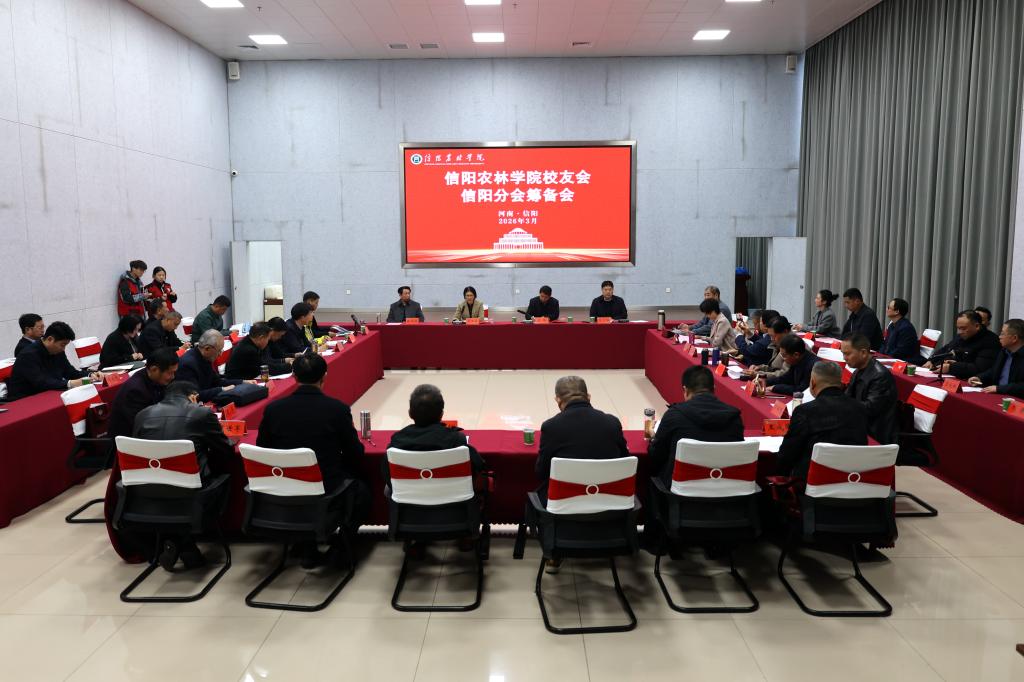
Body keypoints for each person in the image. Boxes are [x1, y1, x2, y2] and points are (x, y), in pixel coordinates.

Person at [257, 354, 370, 567]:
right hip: (325, 488)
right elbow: (355, 453)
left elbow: (263, 449)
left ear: (294, 376)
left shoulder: (274, 410)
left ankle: (305, 544)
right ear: (324, 376)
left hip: (283, 486)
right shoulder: (337, 410)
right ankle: (340, 546)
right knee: (362, 489)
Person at [132, 380, 235, 571]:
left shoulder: (142, 414)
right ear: (193, 397)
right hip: (192, 493)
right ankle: (184, 542)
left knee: (173, 485)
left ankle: (179, 542)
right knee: (223, 477)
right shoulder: (201, 413)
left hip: (147, 492)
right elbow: (225, 449)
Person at [647, 366, 744, 485]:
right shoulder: (734, 418)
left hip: (681, 490)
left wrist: (653, 438)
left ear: (685, 390)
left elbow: (656, 456)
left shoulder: (674, 416)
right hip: (727, 487)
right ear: (714, 389)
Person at [775, 362, 868, 479]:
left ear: (813, 382)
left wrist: (778, 475)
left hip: (811, 479)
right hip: (851, 477)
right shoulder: (860, 408)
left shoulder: (805, 411)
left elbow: (788, 453)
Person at [535, 375, 629, 488]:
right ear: (588, 396)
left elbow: (542, 472)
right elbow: (625, 461)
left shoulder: (551, 427)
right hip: (609, 494)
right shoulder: (612, 422)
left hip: (566, 496)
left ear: (558, 399)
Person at [386, 384, 486, 479]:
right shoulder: (457, 439)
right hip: (453, 491)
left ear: (410, 413)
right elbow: (478, 467)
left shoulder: (397, 441)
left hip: (407, 492)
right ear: (441, 414)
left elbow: (386, 473)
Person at [6, 322, 99, 400]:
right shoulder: (28, 355)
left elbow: (70, 372)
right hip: (26, 399)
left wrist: (90, 375)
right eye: (62, 345)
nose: (63, 349)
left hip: (50, 394)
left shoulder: (58, 351)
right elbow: (41, 382)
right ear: (50, 339)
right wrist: (71, 383)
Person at [108, 348, 179, 438]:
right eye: (170, 373)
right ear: (154, 369)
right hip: (130, 440)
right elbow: (144, 427)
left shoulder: (158, 379)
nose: (173, 377)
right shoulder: (135, 391)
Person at [842, 332, 899, 444]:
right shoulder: (858, 370)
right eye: (843, 354)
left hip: (875, 432)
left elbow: (869, 409)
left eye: (847, 354)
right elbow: (847, 396)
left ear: (863, 353)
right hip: (860, 422)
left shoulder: (880, 376)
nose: (844, 358)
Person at [924, 310, 1001, 379]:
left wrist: (951, 367)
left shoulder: (990, 341)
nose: (960, 332)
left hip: (972, 381)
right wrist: (931, 361)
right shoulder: (962, 336)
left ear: (977, 326)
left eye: (963, 328)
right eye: (958, 328)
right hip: (952, 375)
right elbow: (946, 349)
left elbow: (979, 368)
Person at [175, 330, 248, 402]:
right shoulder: (187, 365)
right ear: (207, 348)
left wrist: (242, 382)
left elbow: (217, 382)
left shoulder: (205, 357)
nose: (220, 354)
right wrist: (222, 389)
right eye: (219, 351)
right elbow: (194, 396)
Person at [969, 319, 1024, 398]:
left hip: (1016, 400)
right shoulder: (1004, 351)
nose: (999, 337)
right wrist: (979, 378)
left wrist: (999, 389)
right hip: (998, 395)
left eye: (1002, 334)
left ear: (1014, 338)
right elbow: (994, 371)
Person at [224, 322, 290, 379]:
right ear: (261, 338)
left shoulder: (249, 342)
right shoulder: (248, 350)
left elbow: (266, 362)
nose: (268, 342)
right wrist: (290, 366)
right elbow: (266, 368)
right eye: (267, 339)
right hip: (237, 381)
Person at [879, 298, 925, 364]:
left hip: (904, 361)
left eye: (889, 307)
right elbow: (884, 344)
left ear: (897, 311)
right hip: (890, 358)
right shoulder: (891, 325)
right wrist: (880, 355)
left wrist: (885, 357)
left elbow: (901, 351)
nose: (887, 309)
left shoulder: (906, 328)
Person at [749, 316, 793, 381]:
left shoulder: (793, 346)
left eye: (773, 336)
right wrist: (759, 367)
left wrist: (760, 374)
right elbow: (773, 367)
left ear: (785, 332)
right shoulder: (779, 342)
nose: (771, 339)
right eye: (770, 336)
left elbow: (784, 374)